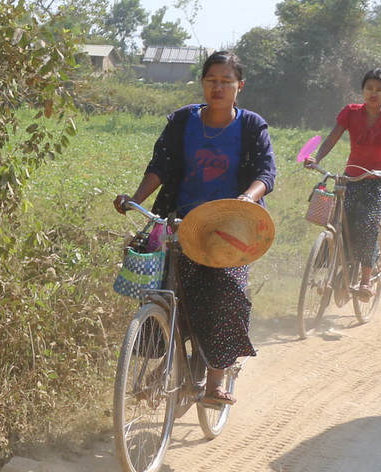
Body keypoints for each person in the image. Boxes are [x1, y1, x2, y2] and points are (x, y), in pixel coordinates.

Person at [114, 51, 275, 406]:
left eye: (226, 81)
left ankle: (216, 380)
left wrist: (247, 199)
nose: (218, 87)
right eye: (211, 80)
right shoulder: (183, 121)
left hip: (231, 228)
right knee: (170, 295)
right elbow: (161, 166)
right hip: (179, 222)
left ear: (239, 87)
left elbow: (265, 174)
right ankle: (167, 368)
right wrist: (135, 197)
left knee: (223, 296)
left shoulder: (251, 126)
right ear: (202, 83)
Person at [309, 70, 381, 299]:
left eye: (379, 89)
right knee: (336, 222)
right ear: (362, 90)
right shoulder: (351, 113)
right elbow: (332, 138)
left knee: (367, 223)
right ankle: (331, 269)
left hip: (378, 182)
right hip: (351, 179)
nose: (373, 93)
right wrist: (317, 158)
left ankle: (365, 281)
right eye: (369, 88)